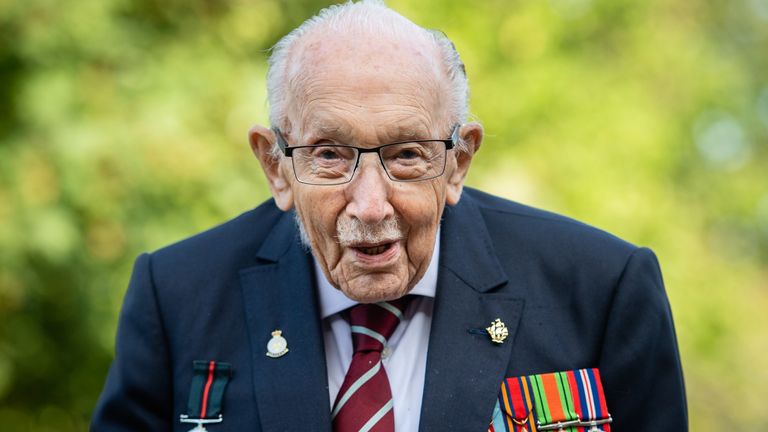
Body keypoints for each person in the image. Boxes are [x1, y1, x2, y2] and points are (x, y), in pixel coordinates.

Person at [91, 1, 687, 431]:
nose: (370, 205)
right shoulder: (176, 294)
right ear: (276, 166)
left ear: (458, 162)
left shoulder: (602, 288)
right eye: (329, 155)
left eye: (407, 155)